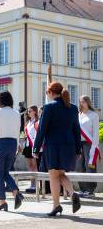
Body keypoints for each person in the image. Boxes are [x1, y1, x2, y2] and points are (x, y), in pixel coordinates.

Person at [33, 82, 81, 216]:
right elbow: (76, 130)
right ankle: (72, 193)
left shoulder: (48, 107)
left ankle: (56, 205)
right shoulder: (72, 108)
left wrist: (36, 148)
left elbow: (42, 130)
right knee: (61, 174)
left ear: (51, 92)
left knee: (53, 176)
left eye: (47, 93)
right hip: (69, 146)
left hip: (53, 146)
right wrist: (78, 149)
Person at [0, 91, 24, 211]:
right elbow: (18, 131)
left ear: (1, 101)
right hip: (13, 143)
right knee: (5, 172)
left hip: (1, 143)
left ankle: (2, 201)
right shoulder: (16, 113)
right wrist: (16, 147)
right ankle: (15, 192)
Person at [77, 95, 99, 198]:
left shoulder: (93, 115)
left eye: (84, 102)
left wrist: (95, 147)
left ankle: (90, 190)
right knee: (79, 167)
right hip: (79, 144)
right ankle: (83, 189)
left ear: (88, 102)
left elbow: (95, 133)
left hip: (89, 143)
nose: (82, 104)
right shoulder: (79, 115)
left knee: (89, 166)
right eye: (80, 102)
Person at [23, 106, 39, 193]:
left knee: (35, 166)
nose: (28, 113)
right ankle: (31, 184)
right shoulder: (28, 123)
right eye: (28, 111)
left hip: (34, 145)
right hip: (28, 145)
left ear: (35, 112)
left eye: (30, 111)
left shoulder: (37, 122)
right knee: (29, 166)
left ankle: (36, 185)